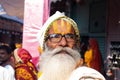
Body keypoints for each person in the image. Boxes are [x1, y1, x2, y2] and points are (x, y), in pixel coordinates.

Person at [37, 11, 83, 80]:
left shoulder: (87, 76)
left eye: (69, 36)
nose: (63, 43)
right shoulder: (42, 77)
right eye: (55, 36)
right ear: (45, 44)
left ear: (76, 43)